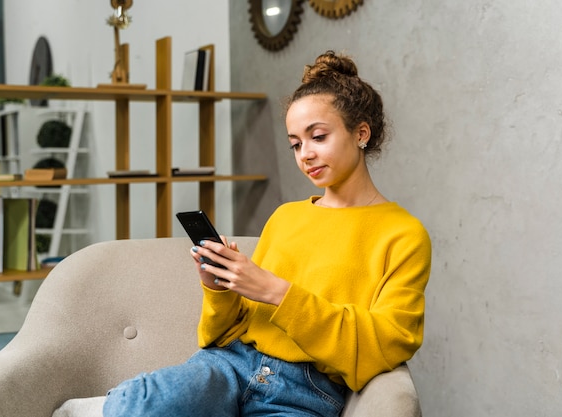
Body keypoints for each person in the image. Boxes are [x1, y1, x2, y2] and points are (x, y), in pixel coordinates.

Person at [103, 50, 432, 417]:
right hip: (231, 366)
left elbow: (384, 344)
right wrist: (218, 288)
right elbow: (229, 330)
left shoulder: (403, 234)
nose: (305, 154)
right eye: (295, 143)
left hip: (307, 391)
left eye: (317, 137)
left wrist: (276, 292)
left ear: (361, 133)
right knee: (137, 405)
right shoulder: (285, 217)